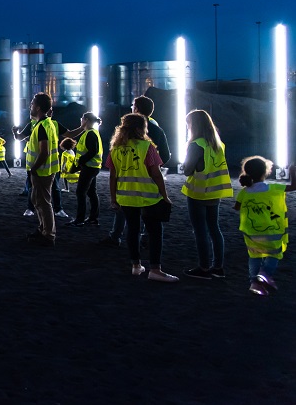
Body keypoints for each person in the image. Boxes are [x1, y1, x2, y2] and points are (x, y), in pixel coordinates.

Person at [107, 113, 177, 282]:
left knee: (132, 230)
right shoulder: (147, 147)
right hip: (148, 197)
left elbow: (112, 176)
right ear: (140, 129)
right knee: (155, 232)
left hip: (125, 197)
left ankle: (136, 266)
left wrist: (113, 198)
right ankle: (155, 269)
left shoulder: (115, 149)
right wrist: (165, 195)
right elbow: (156, 174)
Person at [181, 109, 233, 279]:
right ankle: (218, 267)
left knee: (200, 231)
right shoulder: (218, 144)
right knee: (214, 229)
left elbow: (188, 170)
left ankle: (203, 268)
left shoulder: (196, 144)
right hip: (215, 191)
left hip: (198, 192)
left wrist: (185, 165)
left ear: (193, 125)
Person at [233, 157, 296, 295]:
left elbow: (237, 207)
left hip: (251, 234)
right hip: (272, 233)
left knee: (254, 256)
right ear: (265, 173)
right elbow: (294, 186)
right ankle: (265, 273)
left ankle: (254, 283)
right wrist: (292, 171)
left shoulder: (244, 192)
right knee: (275, 254)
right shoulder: (273, 189)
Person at [23, 93, 60, 246]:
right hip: (46, 170)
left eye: (32, 104)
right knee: (38, 200)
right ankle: (43, 229)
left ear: (38, 107)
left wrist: (33, 168)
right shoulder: (47, 123)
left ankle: (48, 235)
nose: (30, 106)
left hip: (42, 171)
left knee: (43, 203)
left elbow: (43, 151)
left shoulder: (42, 126)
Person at [68, 112, 103, 227]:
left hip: (88, 167)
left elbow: (93, 151)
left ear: (86, 120)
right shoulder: (93, 133)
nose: (81, 120)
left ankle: (80, 219)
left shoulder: (89, 134)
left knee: (81, 192)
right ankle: (93, 218)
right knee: (91, 192)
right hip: (93, 167)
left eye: (82, 119)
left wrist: (80, 162)